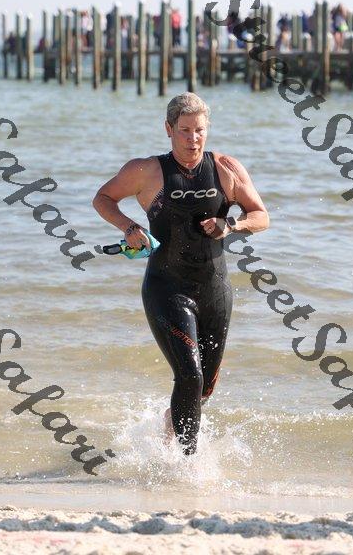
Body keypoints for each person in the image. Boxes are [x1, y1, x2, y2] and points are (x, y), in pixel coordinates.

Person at [92, 92, 269, 456]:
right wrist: (129, 228)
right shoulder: (147, 171)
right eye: (185, 130)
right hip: (166, 288)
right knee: (190, 375)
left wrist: (231, 225)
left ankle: (169, 426)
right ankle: (188, 463)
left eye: (199, 130)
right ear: (168, 129)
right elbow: (103, 198)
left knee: (203, 388)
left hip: (215, 289)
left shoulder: (226, 168)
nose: (193, 138)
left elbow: (260, 215)